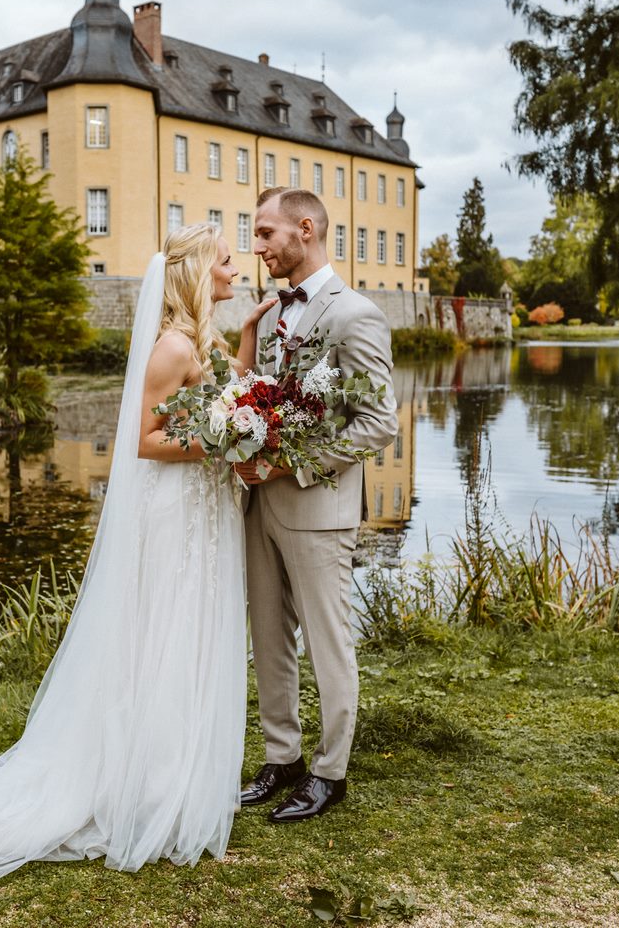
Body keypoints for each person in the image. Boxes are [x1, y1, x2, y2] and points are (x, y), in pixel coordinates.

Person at [0, 223, 278, 880]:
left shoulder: (208, 340)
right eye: (227, 263)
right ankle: (152, 788)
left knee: (195, 637)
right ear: (199, 271)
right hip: (178, 515)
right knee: (168, 636)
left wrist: (248, 342)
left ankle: (181, 779)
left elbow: (234, 392)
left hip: (208, 512)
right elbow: (144, 442)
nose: (235, 271)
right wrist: (222, 447)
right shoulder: (170, 347)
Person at [235, 187, 398, 822]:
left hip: (318, 507)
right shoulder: (275, 313)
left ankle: (331, 773)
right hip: (260, 505)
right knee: (268, 637)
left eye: (267, 233)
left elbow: (379, 422)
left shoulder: (355, 315)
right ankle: (283, 758)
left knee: (329, 643)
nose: (258, 246)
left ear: (306, 229)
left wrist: (289, 463)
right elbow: (264, 399)